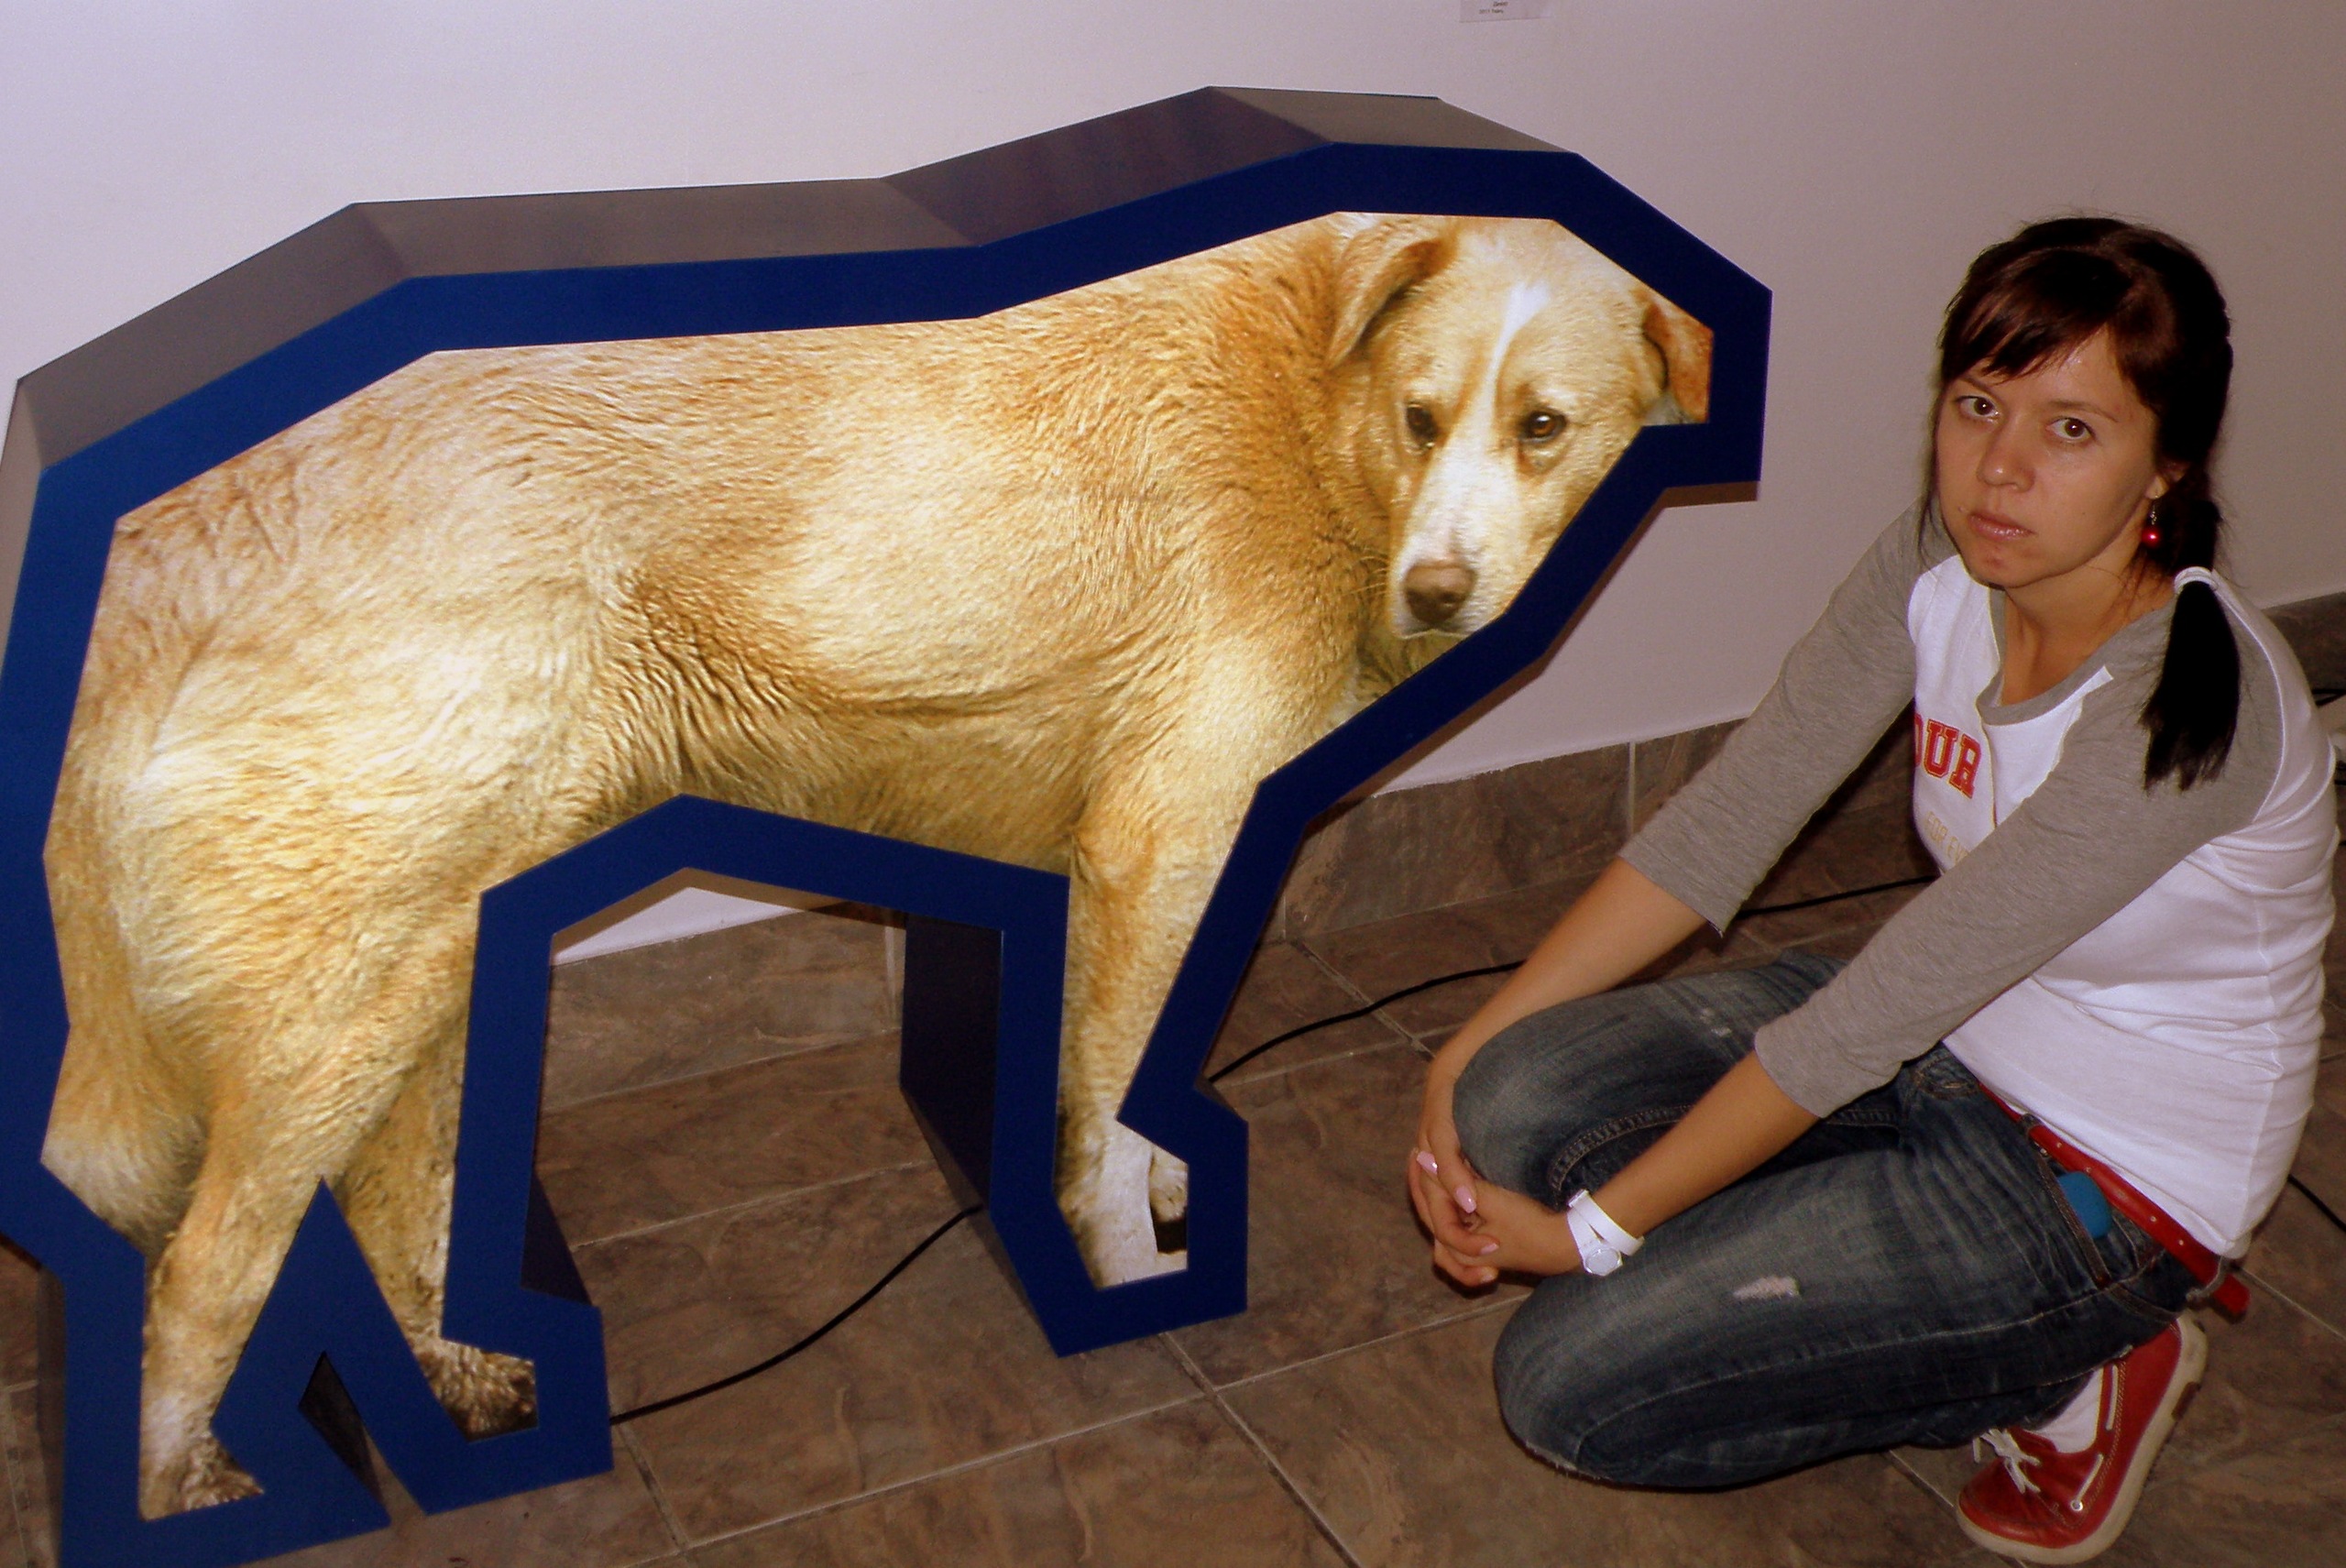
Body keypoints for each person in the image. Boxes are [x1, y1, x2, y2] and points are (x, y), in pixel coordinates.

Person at [1408, 216, 2336, 1564]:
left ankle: (2078, 1368)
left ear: (2167, 464)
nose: (2000, 468)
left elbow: (1869, 1015)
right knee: (1510, 1097)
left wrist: (1595, 1238)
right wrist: (1464, 1045)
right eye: (1978, 405)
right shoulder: (1943, 559)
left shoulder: (2183, 703)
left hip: (2101, 1184)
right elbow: (1730, 820)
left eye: (2073, 430)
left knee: (1570, 1384)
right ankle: (1828, 1264)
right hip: (1948, 1045)